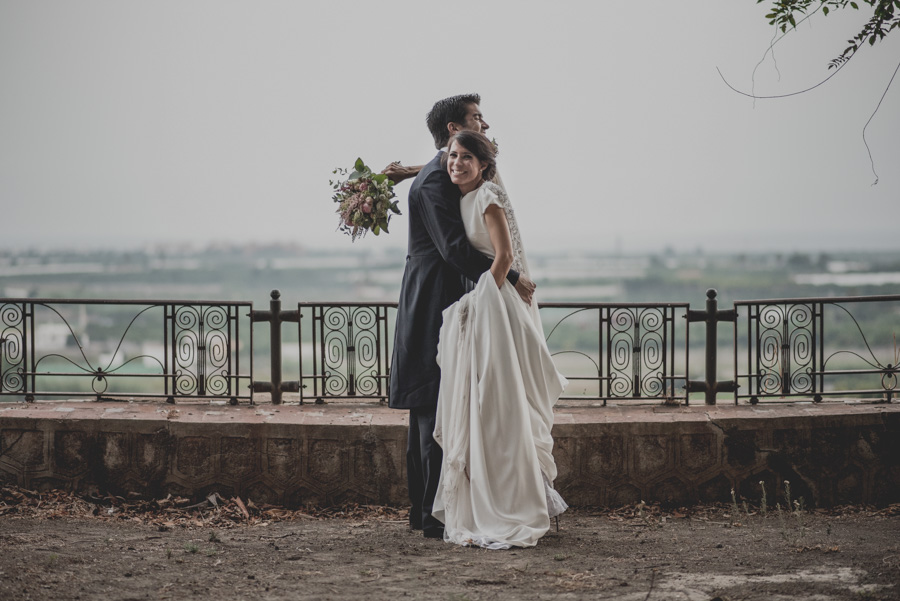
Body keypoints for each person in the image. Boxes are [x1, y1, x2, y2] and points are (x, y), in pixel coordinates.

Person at [388, 94, 537, 539]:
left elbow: (455, 169)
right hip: (433, 299)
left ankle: (428, 512)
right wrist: (510, 279)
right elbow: (454, 249)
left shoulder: (439, 172)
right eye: (476, 118)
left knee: (436, 405)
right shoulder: (436, 182)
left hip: (439, 295)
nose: (486, 122)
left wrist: (406, 169)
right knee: (433, 405)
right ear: (454, 131)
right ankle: (431, 514)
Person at [431, 130, 568, 549]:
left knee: (501, 394)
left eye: (467, 157)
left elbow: (504, 256)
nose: (457, 163)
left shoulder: (488, 196)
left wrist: (478, 301)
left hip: (497, 303)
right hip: (489, 298)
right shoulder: (462, 195)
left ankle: (516, 499)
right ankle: (492, 493)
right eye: (453, 155)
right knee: (483, 398)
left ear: (484, 166)